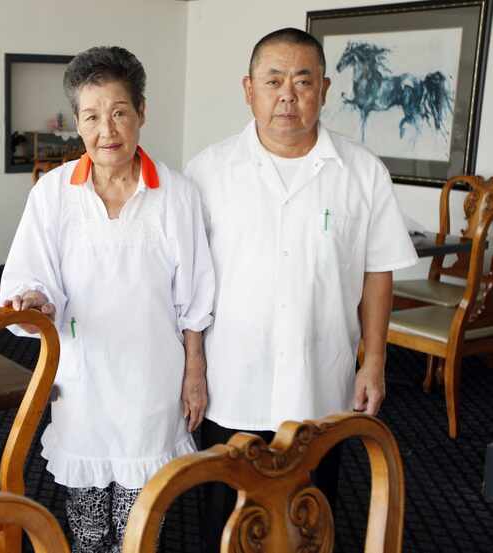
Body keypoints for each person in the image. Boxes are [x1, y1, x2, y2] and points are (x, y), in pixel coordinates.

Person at [184, 28, 418, 549]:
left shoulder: (362, 172)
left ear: (325, 89)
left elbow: (377, 271)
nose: (287, 94)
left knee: (311, 518)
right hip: (234, 381)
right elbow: (188, 283)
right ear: (249, 89)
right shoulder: (206, 172)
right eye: (273, 80)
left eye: (302, 80)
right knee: (227, 522)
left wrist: (374, 360)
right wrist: (193, 367)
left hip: (320, 378)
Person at [0, 46, 215, 553]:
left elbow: (196, 295)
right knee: (90, 529)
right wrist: (34, 301)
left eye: (119, 113)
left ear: (142, 113)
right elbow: (31, 279)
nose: (107, 130)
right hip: (83, 381)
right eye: (92, 117)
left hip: (151, 383)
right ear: (77, 123)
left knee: (139, 528)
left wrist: (195, 373)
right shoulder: (52, 194)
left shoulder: (177, 194)